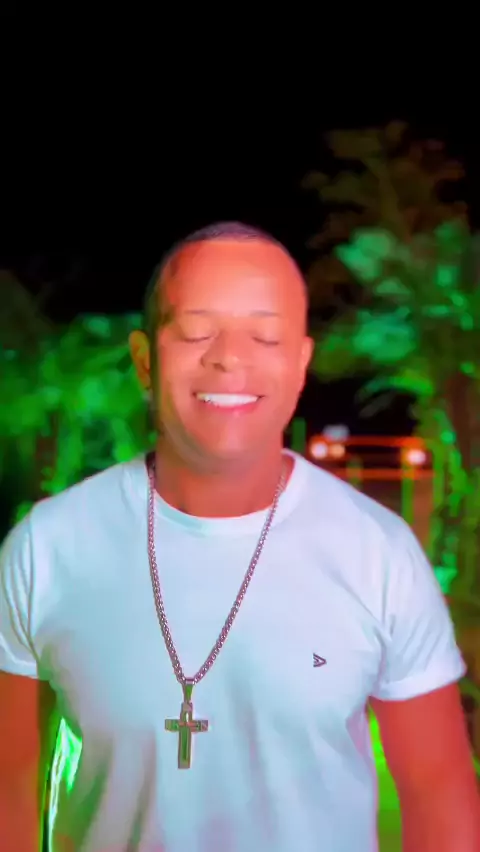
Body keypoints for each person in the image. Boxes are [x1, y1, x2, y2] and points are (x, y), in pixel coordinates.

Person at [0, 222, 479, 852]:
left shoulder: (378, 553)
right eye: (197, 331)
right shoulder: (47, 547)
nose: (229, 357)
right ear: (144, 360)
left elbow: (437, 788)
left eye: (265, 335)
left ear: (300, 363)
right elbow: (10, 781)